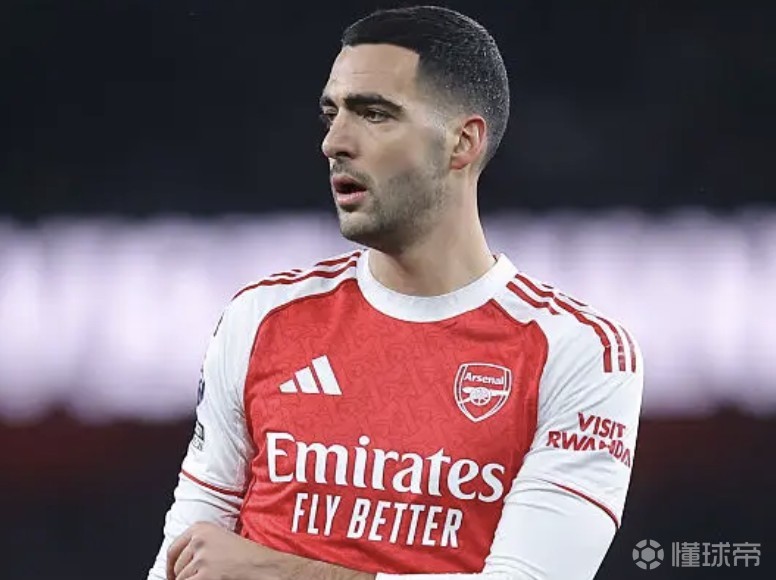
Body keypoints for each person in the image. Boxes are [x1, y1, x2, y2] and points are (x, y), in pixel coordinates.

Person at [148, 5, 644, 580]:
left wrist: (277, 571)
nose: (334, 142)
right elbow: (183, 556)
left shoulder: (578, 352)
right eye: (331, 114)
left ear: (462, 143)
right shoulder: (261, 318)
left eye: (374, 114)